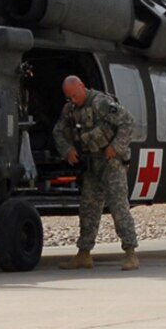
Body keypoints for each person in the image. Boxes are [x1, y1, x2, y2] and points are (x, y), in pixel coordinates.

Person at [51, 75, 140, 271]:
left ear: (82, 86)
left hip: (111, 162)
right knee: (88, 208)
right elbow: (58, 131)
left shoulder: (101, 103)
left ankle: (131, 253)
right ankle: (84, 254)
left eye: (75, 95)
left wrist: (115, 147)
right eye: (69, 97)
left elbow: (128, 122)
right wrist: (67, 149)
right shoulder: (70, 109)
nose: (73, 100)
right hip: (92, 163)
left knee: (118, 206)